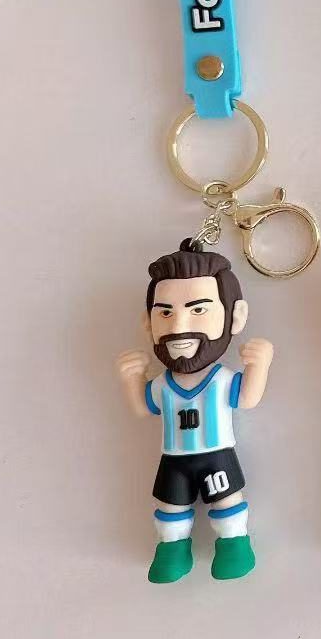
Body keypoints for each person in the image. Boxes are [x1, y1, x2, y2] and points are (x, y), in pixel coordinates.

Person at [116, 240, 273, 583]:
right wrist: (131, 379)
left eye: (198, 309)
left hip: (217, 455)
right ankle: (172, 551)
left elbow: (246, 398)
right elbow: (143, 407)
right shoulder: (163, 384)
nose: (178, 326)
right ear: (148, 323)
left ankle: (234, 547)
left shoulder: (221, 379)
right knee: (171, 507)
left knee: (227, 500)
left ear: (235, 317)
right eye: (165, 312)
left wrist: (260, 366)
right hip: (174, 460)